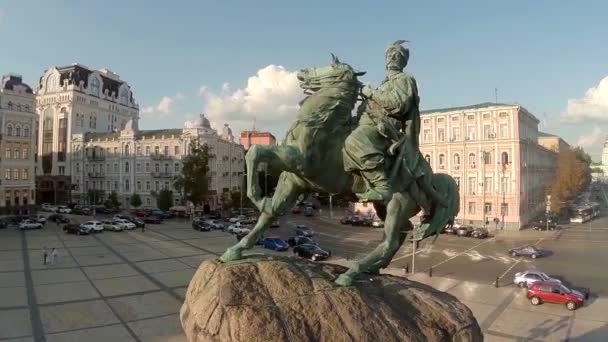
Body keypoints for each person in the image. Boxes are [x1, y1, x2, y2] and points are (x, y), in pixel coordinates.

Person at [343, 40, 421, 203]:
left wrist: (370, 93)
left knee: (355, 140)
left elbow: (397, 104)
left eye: (397, 55)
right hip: (368, 122)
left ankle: (382, 186)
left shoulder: (404, 79)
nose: (392, 57)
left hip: (385, 127)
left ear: (403, 61)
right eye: (389, 54)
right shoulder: (385, 83)